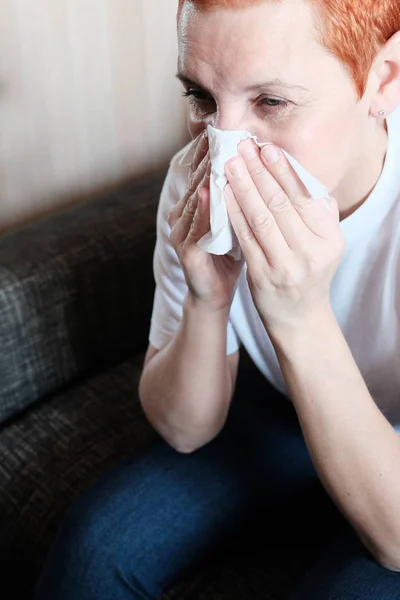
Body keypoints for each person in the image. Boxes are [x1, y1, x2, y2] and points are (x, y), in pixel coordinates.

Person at [35, 0, 400, 598]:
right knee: (96, 545)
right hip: (275, 409)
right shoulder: (193, 176)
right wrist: (207, 301)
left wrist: (300, 317)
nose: (223, 152)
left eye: (271, 102)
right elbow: (184, 431)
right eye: (202, 98)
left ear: (383, 79)